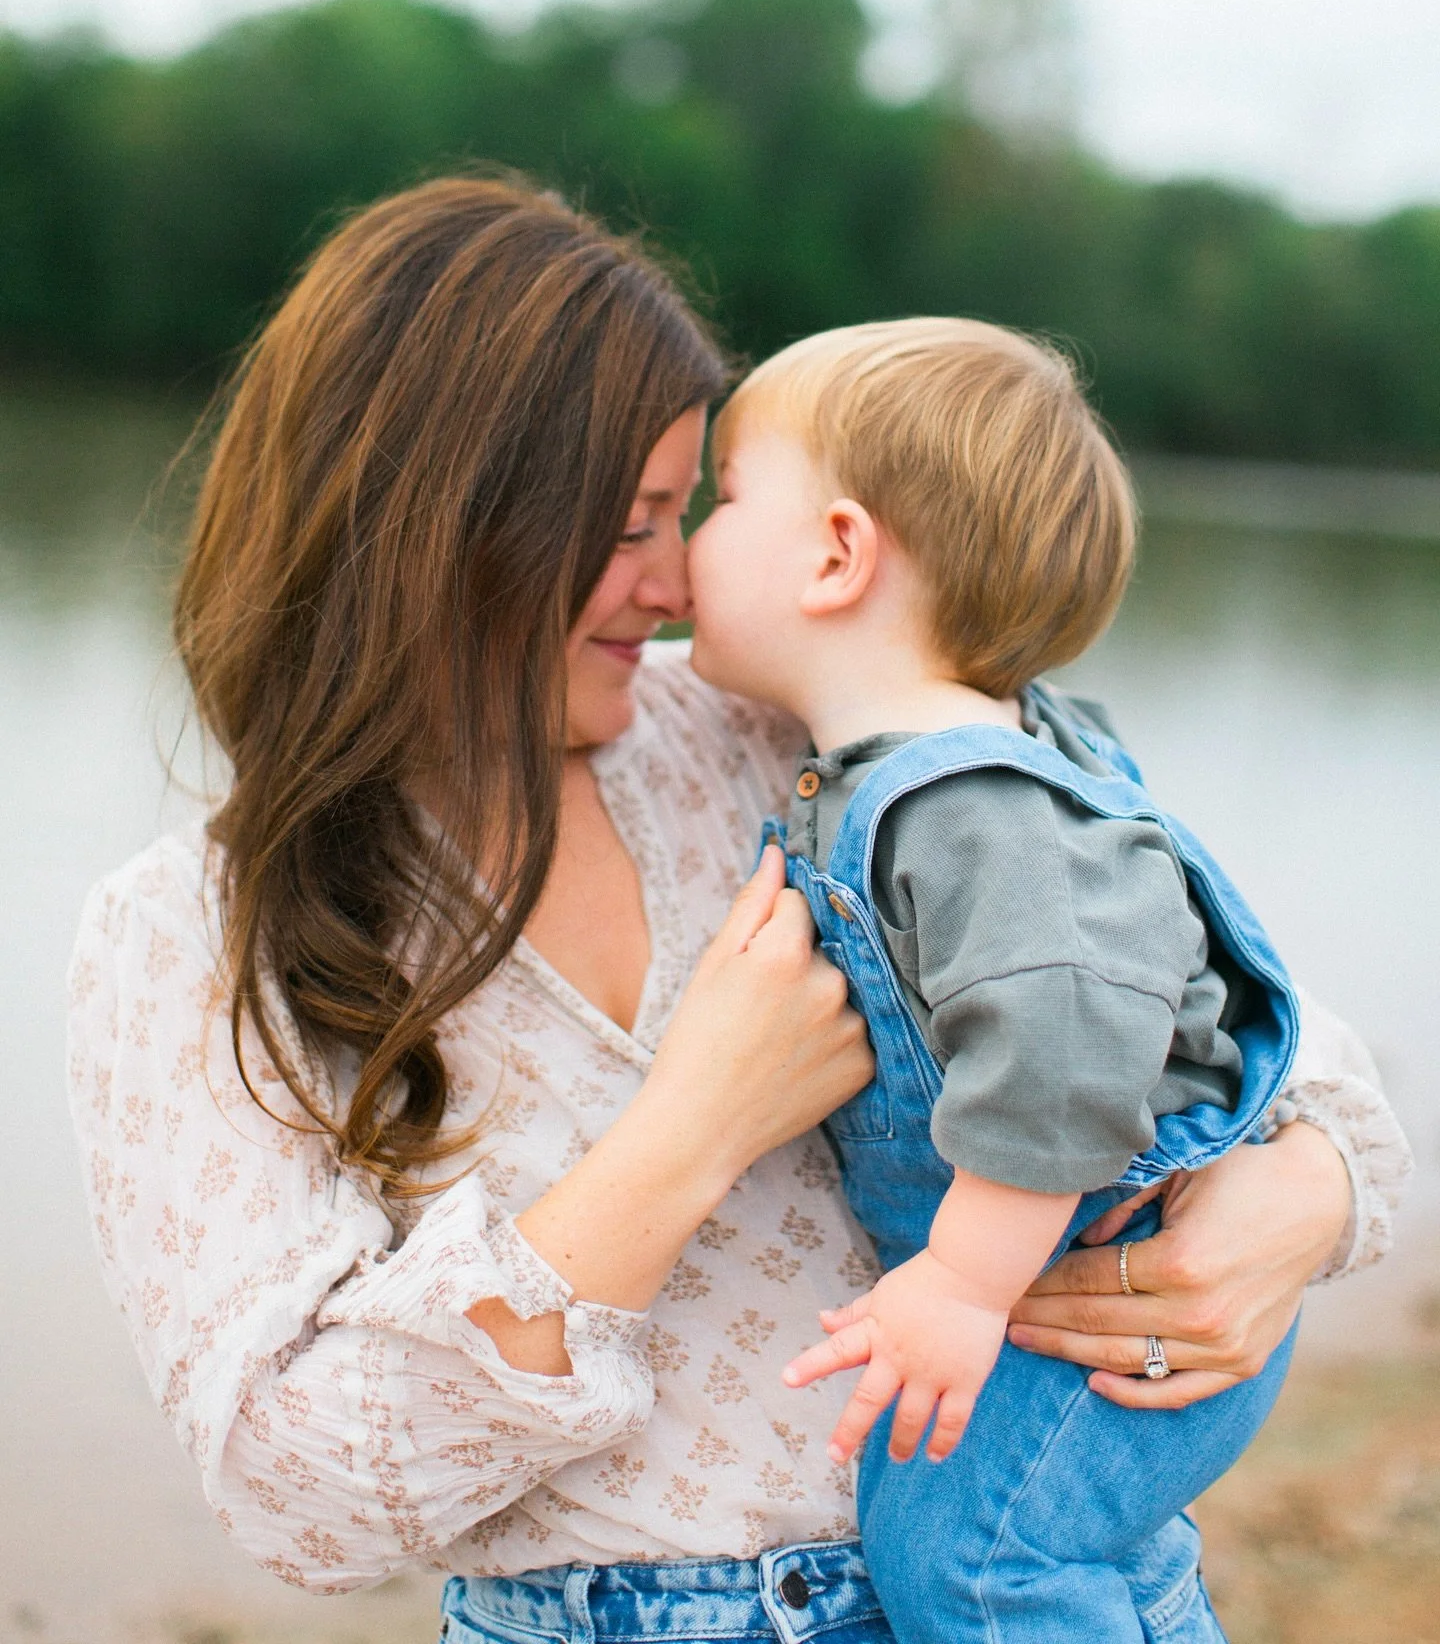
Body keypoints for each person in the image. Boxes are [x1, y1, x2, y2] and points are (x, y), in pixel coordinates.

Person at [67, 179, 1410, 1644]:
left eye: (696, 510)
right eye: (633, 522)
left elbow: (1242, 1019)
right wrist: (695, 1127)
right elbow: (298, 1498)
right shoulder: (185, 936)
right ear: (438, 519)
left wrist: (1301, 1202)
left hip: (1033, 1591)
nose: (673, 582)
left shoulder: (793, 728)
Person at [687, 316, 1346, 1641]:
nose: (689, 541)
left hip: (1107, 1279)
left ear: (836, 555)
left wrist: (962, 1285)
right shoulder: (935, 763)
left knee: (972, 1557)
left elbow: (1067, 1046)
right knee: (970, 1533)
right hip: (1067, 1272)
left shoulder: (977, 809)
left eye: (724, 498)